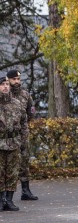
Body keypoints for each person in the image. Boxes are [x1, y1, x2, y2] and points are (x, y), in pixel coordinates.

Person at [6, 69, 38, 201]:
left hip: (22, 134)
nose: (17, 82)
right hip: (7, 136)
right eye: (14, 79)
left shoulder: (25, 95)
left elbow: (31, 112)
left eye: (18, 79)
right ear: (8, 80)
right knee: (7, 165)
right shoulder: (4, 95)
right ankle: (6, 194)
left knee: (24, 161)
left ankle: (26, 190)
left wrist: (23, 126)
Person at [0, 76, 27, 211]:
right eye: (2, 84)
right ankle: (0, 200)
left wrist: (23, 141)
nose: (5, 86)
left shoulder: (16, 103)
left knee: (12, 173)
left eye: (6, 84)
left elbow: (24, 123)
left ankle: (9, 200)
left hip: (14, 142)